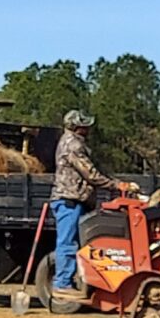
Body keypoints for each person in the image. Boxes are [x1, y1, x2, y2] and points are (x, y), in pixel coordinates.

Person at [49, 109, 106, 297]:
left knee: (76, 242)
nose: (87, 128)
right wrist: (115, 184)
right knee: (68, 242)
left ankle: (72, 281)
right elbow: (90, 173)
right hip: (69, 199)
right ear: (75, 126)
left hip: (76, 199)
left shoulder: (74, 142)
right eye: (83, 125)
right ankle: (62, 283)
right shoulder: (73, 144)